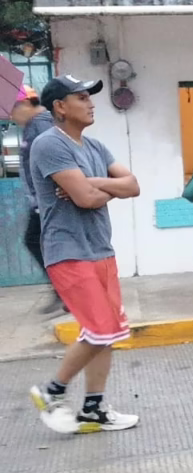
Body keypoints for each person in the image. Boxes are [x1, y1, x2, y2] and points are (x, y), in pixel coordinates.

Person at [27, 75, 141, 434]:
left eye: (90, 97)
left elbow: (133, 185)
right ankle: (52, 391)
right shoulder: (49, 144)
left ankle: (94, 409)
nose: (91, 104)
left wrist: (92, 182)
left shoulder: (95, 147)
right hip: (68, 250)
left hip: (100, 248)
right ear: (60, 107)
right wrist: (104, 189)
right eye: (82, 98)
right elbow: (87, 200)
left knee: (108, 332)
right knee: (99, 329)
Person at [13, 85, 64, 314]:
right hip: (42, 202)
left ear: (25, 104)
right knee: (40, 242)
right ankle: (64, 290)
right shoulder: (33, 126)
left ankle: (65, 290)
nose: (11, 117)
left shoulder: (41, 125)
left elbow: (54, 161)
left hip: (49, 201)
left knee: (38, 241)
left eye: (12, 111)